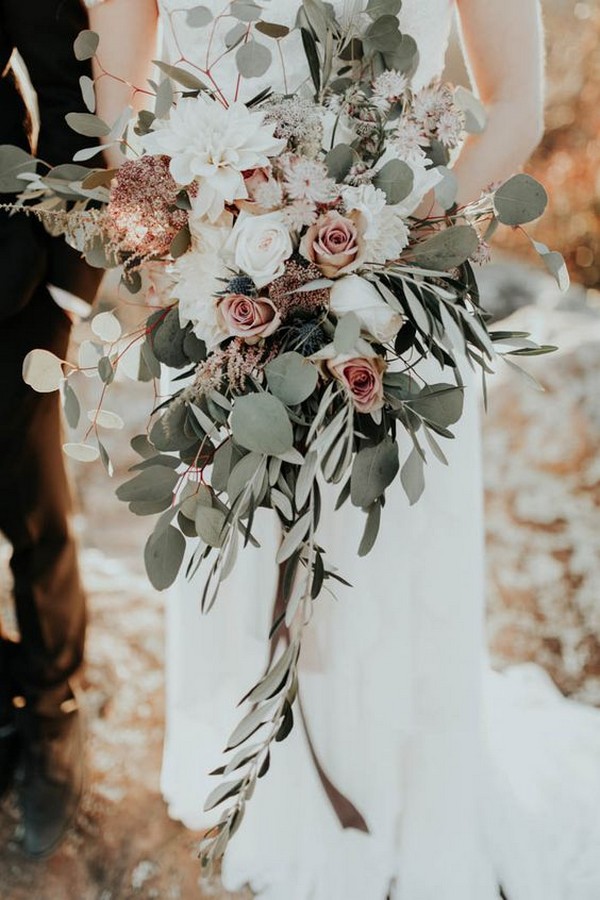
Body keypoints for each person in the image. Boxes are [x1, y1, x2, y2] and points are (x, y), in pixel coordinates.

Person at [87, 2, 600, 898]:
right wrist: (182, 223)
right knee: (238, 557)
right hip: (226, 295)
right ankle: (265, 796)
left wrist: (374, 246)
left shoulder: (388, 256)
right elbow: (121, 84)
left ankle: (396, 808)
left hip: (393, 302)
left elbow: (515, 104)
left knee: (381, 563)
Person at [0, 0, 106, 858]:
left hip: (6, 285)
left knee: (28, 501)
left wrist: (65, 293)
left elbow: (75, 89)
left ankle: (53, 710)